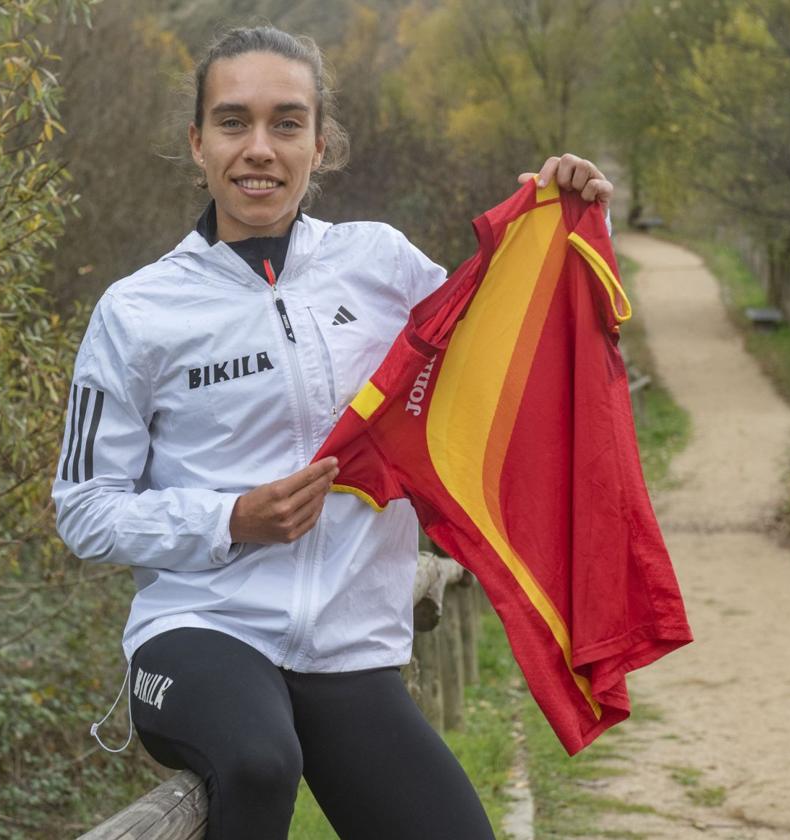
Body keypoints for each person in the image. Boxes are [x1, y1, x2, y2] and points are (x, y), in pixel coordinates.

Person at [54, 25, 613, 840]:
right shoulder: (137, 312)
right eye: (233, 121)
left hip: (349, 653)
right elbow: (84, 510)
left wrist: (559, 229)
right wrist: (229, 519)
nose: (260, 149)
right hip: (200, 633)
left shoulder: (381, 266)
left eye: (286, 123)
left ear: (321, 144)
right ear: (197, 142)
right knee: (257, 761)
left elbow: (501, 360)